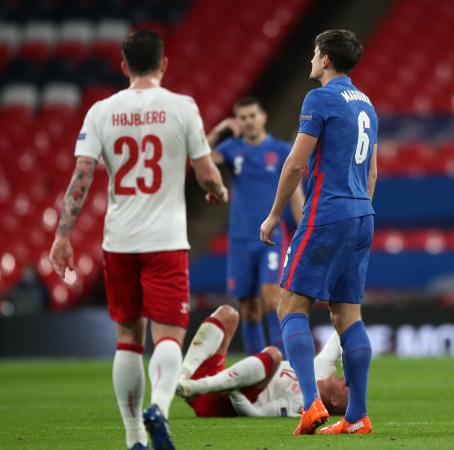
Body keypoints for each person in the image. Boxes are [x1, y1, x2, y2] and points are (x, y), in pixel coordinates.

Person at [47, 30, 227, 450]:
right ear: (165, 64)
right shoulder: (182, 107)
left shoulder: (101, 111)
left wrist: (62, 234)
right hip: (165, 240)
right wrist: (218, 192)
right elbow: (205, 172)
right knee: (169, 335)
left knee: (128, 338)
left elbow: (81, 177)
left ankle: (133, 439)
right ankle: (159, 410)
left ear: (124, 65)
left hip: (119, 240)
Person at [259, 29, 378, 436]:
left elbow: (295, 163)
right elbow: (373, 171)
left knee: (290, 307)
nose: (311, 59)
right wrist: (360, 210)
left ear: (325, 59)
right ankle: (357, 416)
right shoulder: (367, 104)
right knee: (347, 315)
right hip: (363, 213)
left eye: (314, 52)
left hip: (327, 214)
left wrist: (275, 215)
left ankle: (310, 405)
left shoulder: (320, 99)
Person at [205, 97, 305, 356]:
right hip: (240, 239)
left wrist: (305, 230)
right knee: (248, 307)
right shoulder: (231, 149)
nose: (248, 121)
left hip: (270, 237)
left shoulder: (282, 150)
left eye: (252, 115)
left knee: (272, 300)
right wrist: (218, 131)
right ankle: (257, 368)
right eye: (242, 117)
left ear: (263, 117)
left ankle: (282, 366)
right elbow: (200, 159)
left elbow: (295, 194)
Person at [175, 305, 348, 418]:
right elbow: (340, 331)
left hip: (218, 402)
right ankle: (184, 379)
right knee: (228, 314)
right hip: (217, 383)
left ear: (334, 401)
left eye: (347, 387)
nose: (345, 379)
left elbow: (254, 413)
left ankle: (196, 386)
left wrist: (233, 389)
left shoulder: (305, 405)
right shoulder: (322, 369)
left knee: (273, 355)